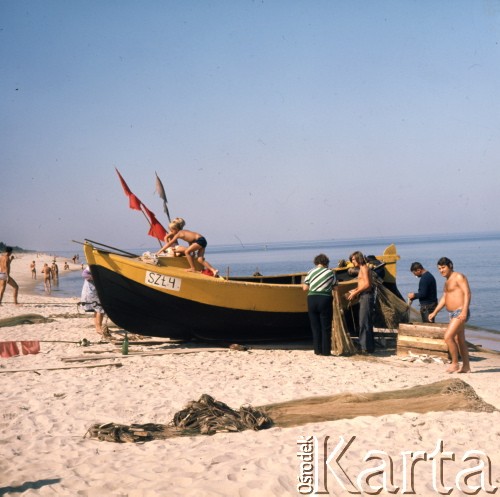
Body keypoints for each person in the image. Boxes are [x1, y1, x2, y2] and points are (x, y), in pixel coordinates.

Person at [428, 257, 471, 373]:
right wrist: (435, 312)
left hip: (460, 311)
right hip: (452, 313)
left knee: (448, 337)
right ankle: (466, 367)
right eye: (439, 268)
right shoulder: (447, 282)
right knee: (460, 340)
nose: (441, 270)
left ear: (450, 266)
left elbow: (467, 293)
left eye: (443, 267)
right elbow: (444, 298)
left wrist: (464, 311)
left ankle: (455, 363)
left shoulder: (458, 276)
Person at [302, 254, 337, 356]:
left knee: (315, 326)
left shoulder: (310, 272)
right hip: (325, 299)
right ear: (326, 262)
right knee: (325, 326)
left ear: (316, 262)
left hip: (312, 299)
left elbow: (305, 288)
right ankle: (326, 351)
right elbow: (335, 288)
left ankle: (317, 351)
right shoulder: (330, 272)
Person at [346, 251, 375, 354]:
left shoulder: (364, 268)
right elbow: (363, 284)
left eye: (353, 259)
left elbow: (367, 285)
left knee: (364, 322)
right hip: (364, 296)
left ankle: (365, 348)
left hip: (366, 297)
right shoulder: (363, 269)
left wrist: (355, 293)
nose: (352, 262)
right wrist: (356, 290)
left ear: (358, 258)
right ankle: (369, 347)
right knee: (365, 321)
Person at [81, 266, 107, 336]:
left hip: (93, 290)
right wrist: (94, 278)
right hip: (92, 291)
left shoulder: (94, 265)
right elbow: (84, 274)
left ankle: (98, 327)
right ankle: (98, 328)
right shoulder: (91, 266)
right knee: (99, 308)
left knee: (97, 309)